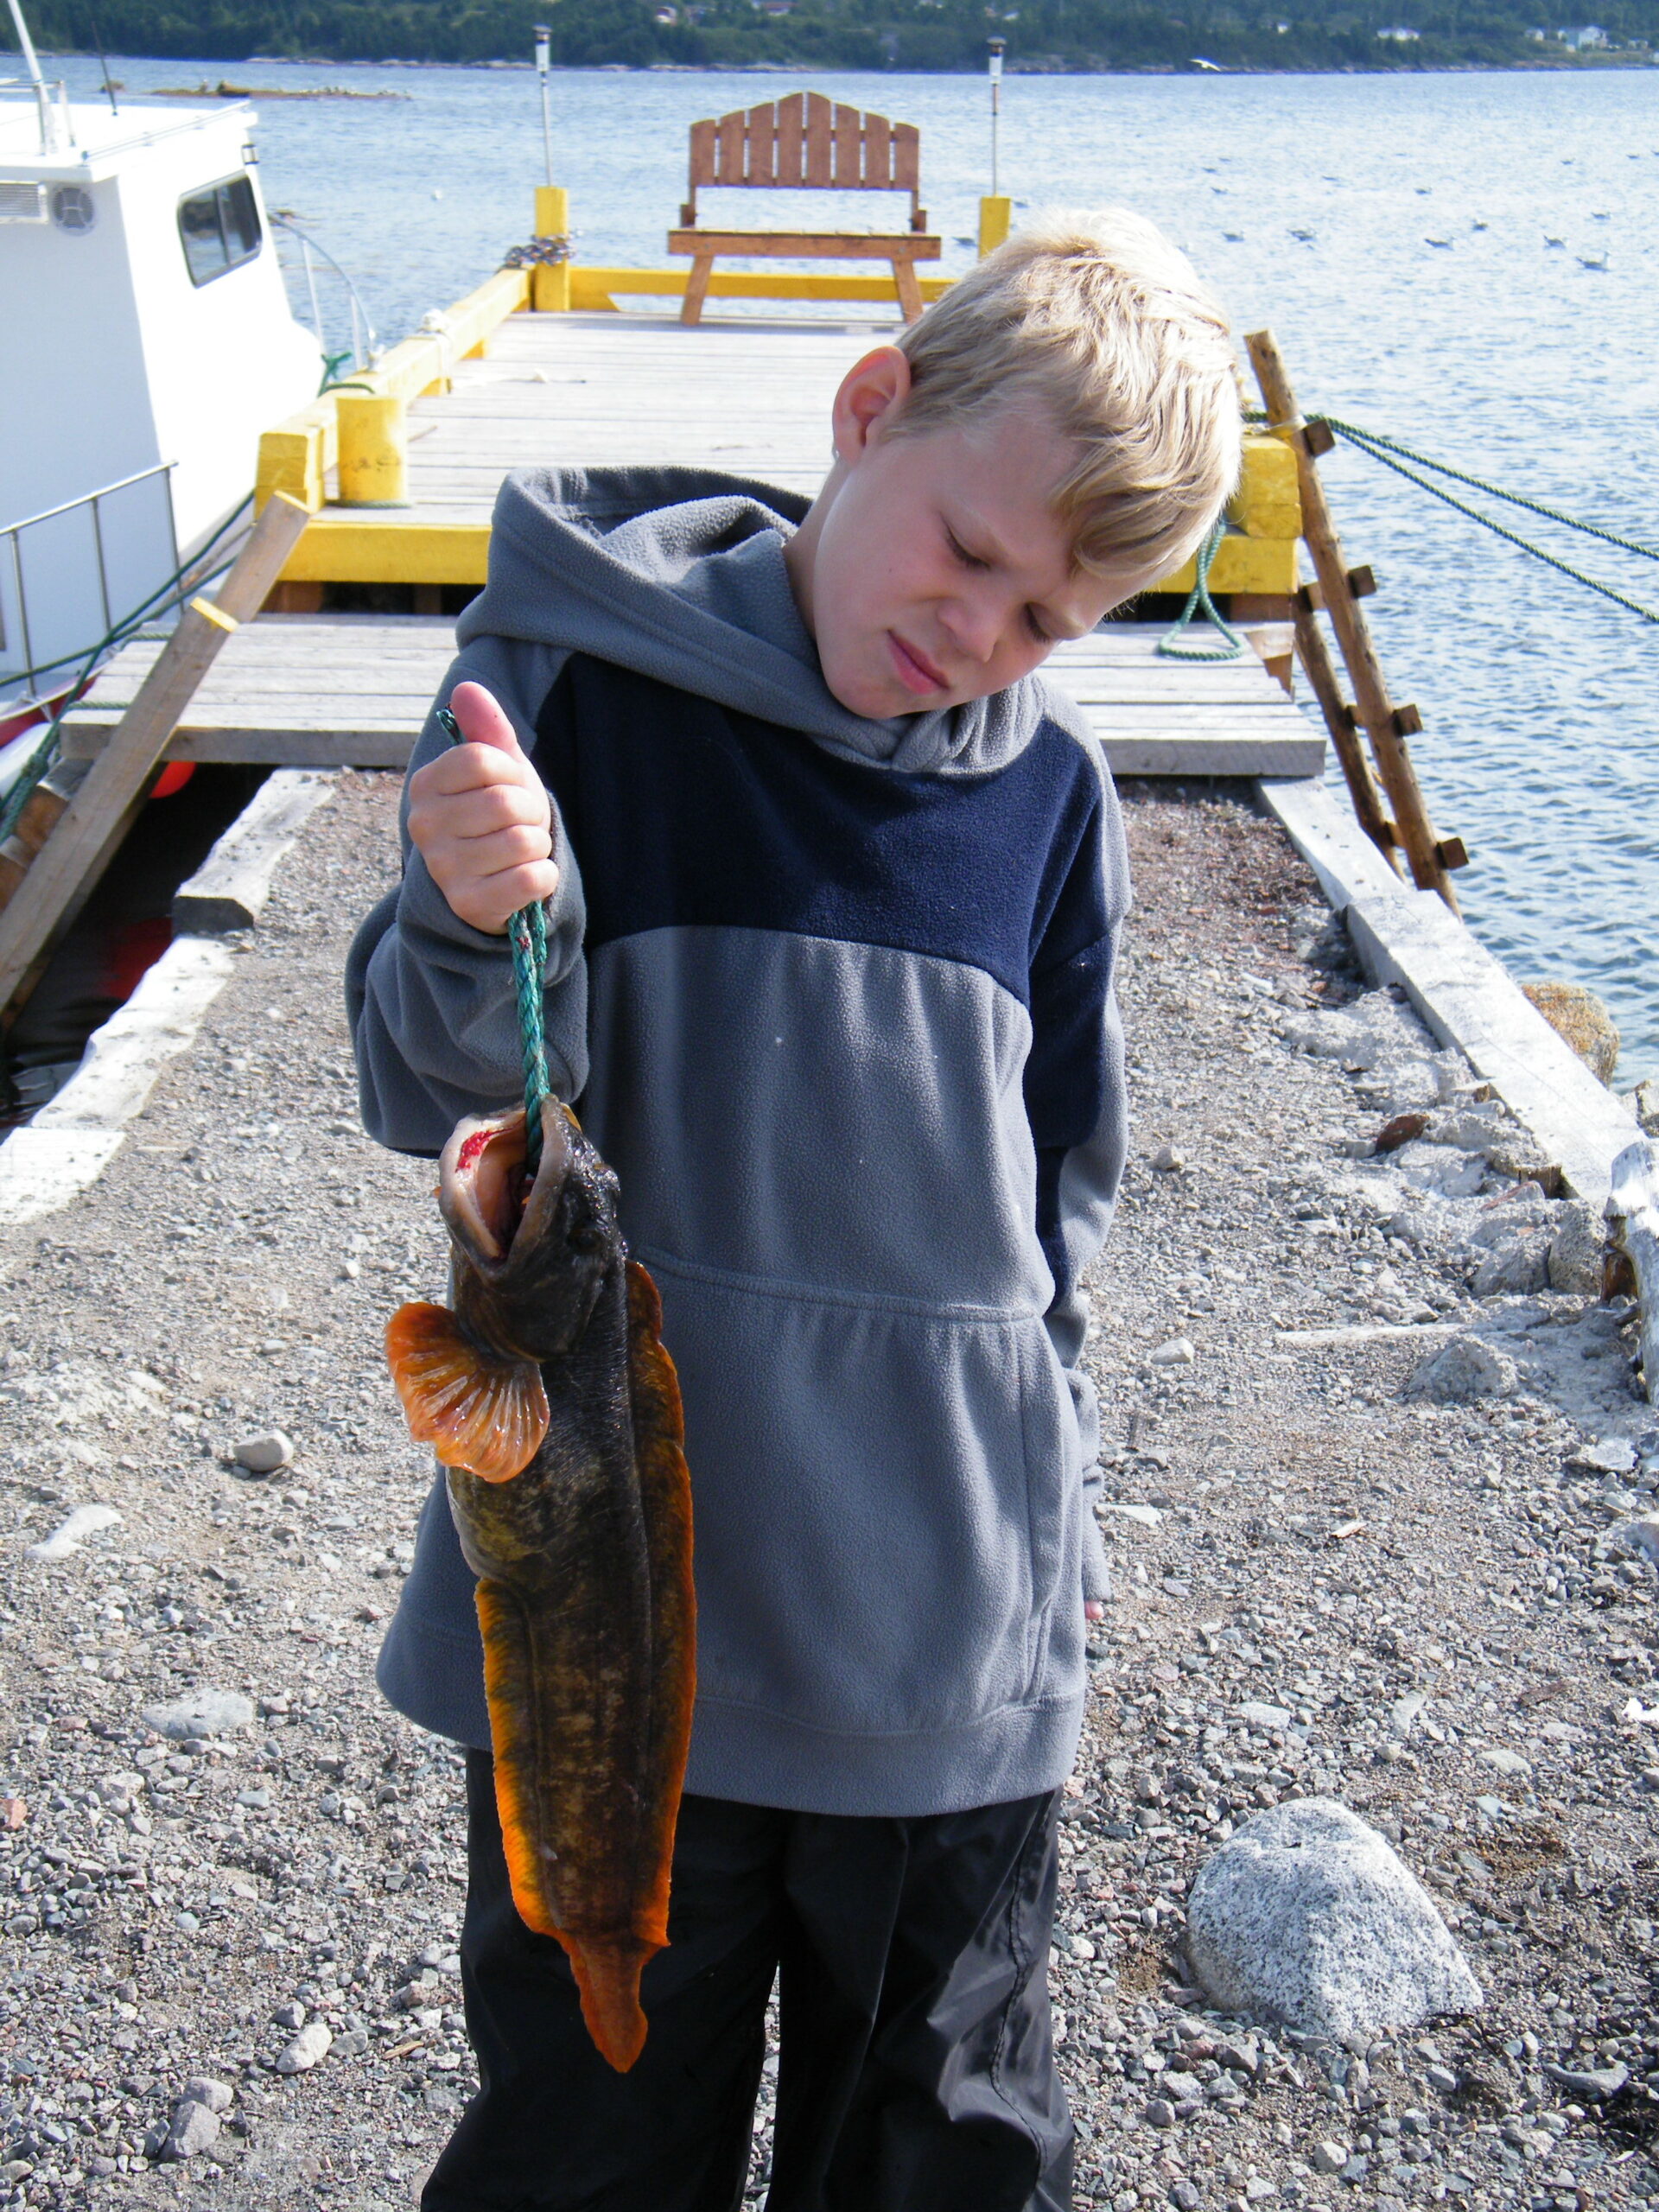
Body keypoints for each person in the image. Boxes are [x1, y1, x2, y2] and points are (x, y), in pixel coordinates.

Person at [347, 210, 1241, 2212]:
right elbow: (442, 1087)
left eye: (1047, 622)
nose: (982, 637)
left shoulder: (1050, 801)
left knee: (944, 2152)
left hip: (948, 1644)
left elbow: (1057, 1227)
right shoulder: (564, 690)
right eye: (973, 554)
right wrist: (461, 902)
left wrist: (1062, 1509)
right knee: (591, 2143)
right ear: (868, 413)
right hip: (618, 1638)